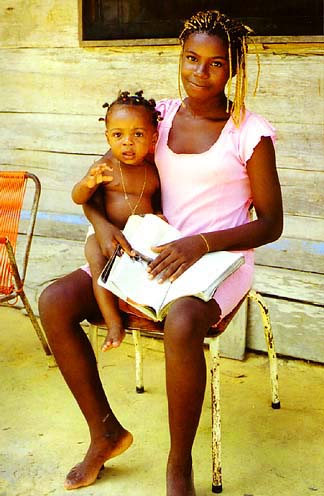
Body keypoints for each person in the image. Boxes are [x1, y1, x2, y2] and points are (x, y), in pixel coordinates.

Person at [38, 9, 283, 496]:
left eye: (215, 63)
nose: (200, 72)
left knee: (184, 321)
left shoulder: (249, 134)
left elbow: (271, 225)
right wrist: (101, 224)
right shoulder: (158, 117)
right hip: (152, 250)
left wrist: (200, 243)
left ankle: (178, 465)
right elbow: (102, 178)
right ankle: (105, 432)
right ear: (180, 58)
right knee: (55, 301)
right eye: (192, 59)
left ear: (233, 67)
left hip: (218, 258)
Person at [71, 90, 161, 351]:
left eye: (138, 135)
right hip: (104, 235)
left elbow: (156, 201)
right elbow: (79, 198)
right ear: (107, 136)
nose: (128, 143)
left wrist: (158, 216)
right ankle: (113, 322)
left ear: (153, 137)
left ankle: (145, 307)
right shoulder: (105, 166)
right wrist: (88, 183)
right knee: (97, 261)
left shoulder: (153, 170)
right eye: (118, 135)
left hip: (137, 236)